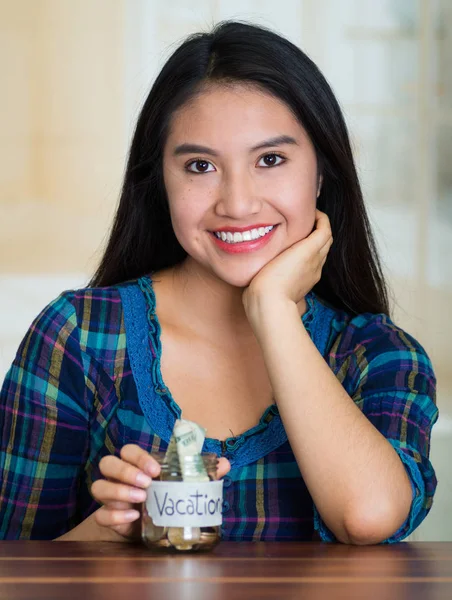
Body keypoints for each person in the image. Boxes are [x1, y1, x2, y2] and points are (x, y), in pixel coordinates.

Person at [0, 20, 438, 545]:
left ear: (321, 173)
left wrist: (273, 310)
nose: (236, 202)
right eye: (201, 165)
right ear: (160, 181)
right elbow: (14, 571)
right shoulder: (79, 335)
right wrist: (110, 532)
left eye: (270, 160)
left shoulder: (379, 355)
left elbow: (368, 517)